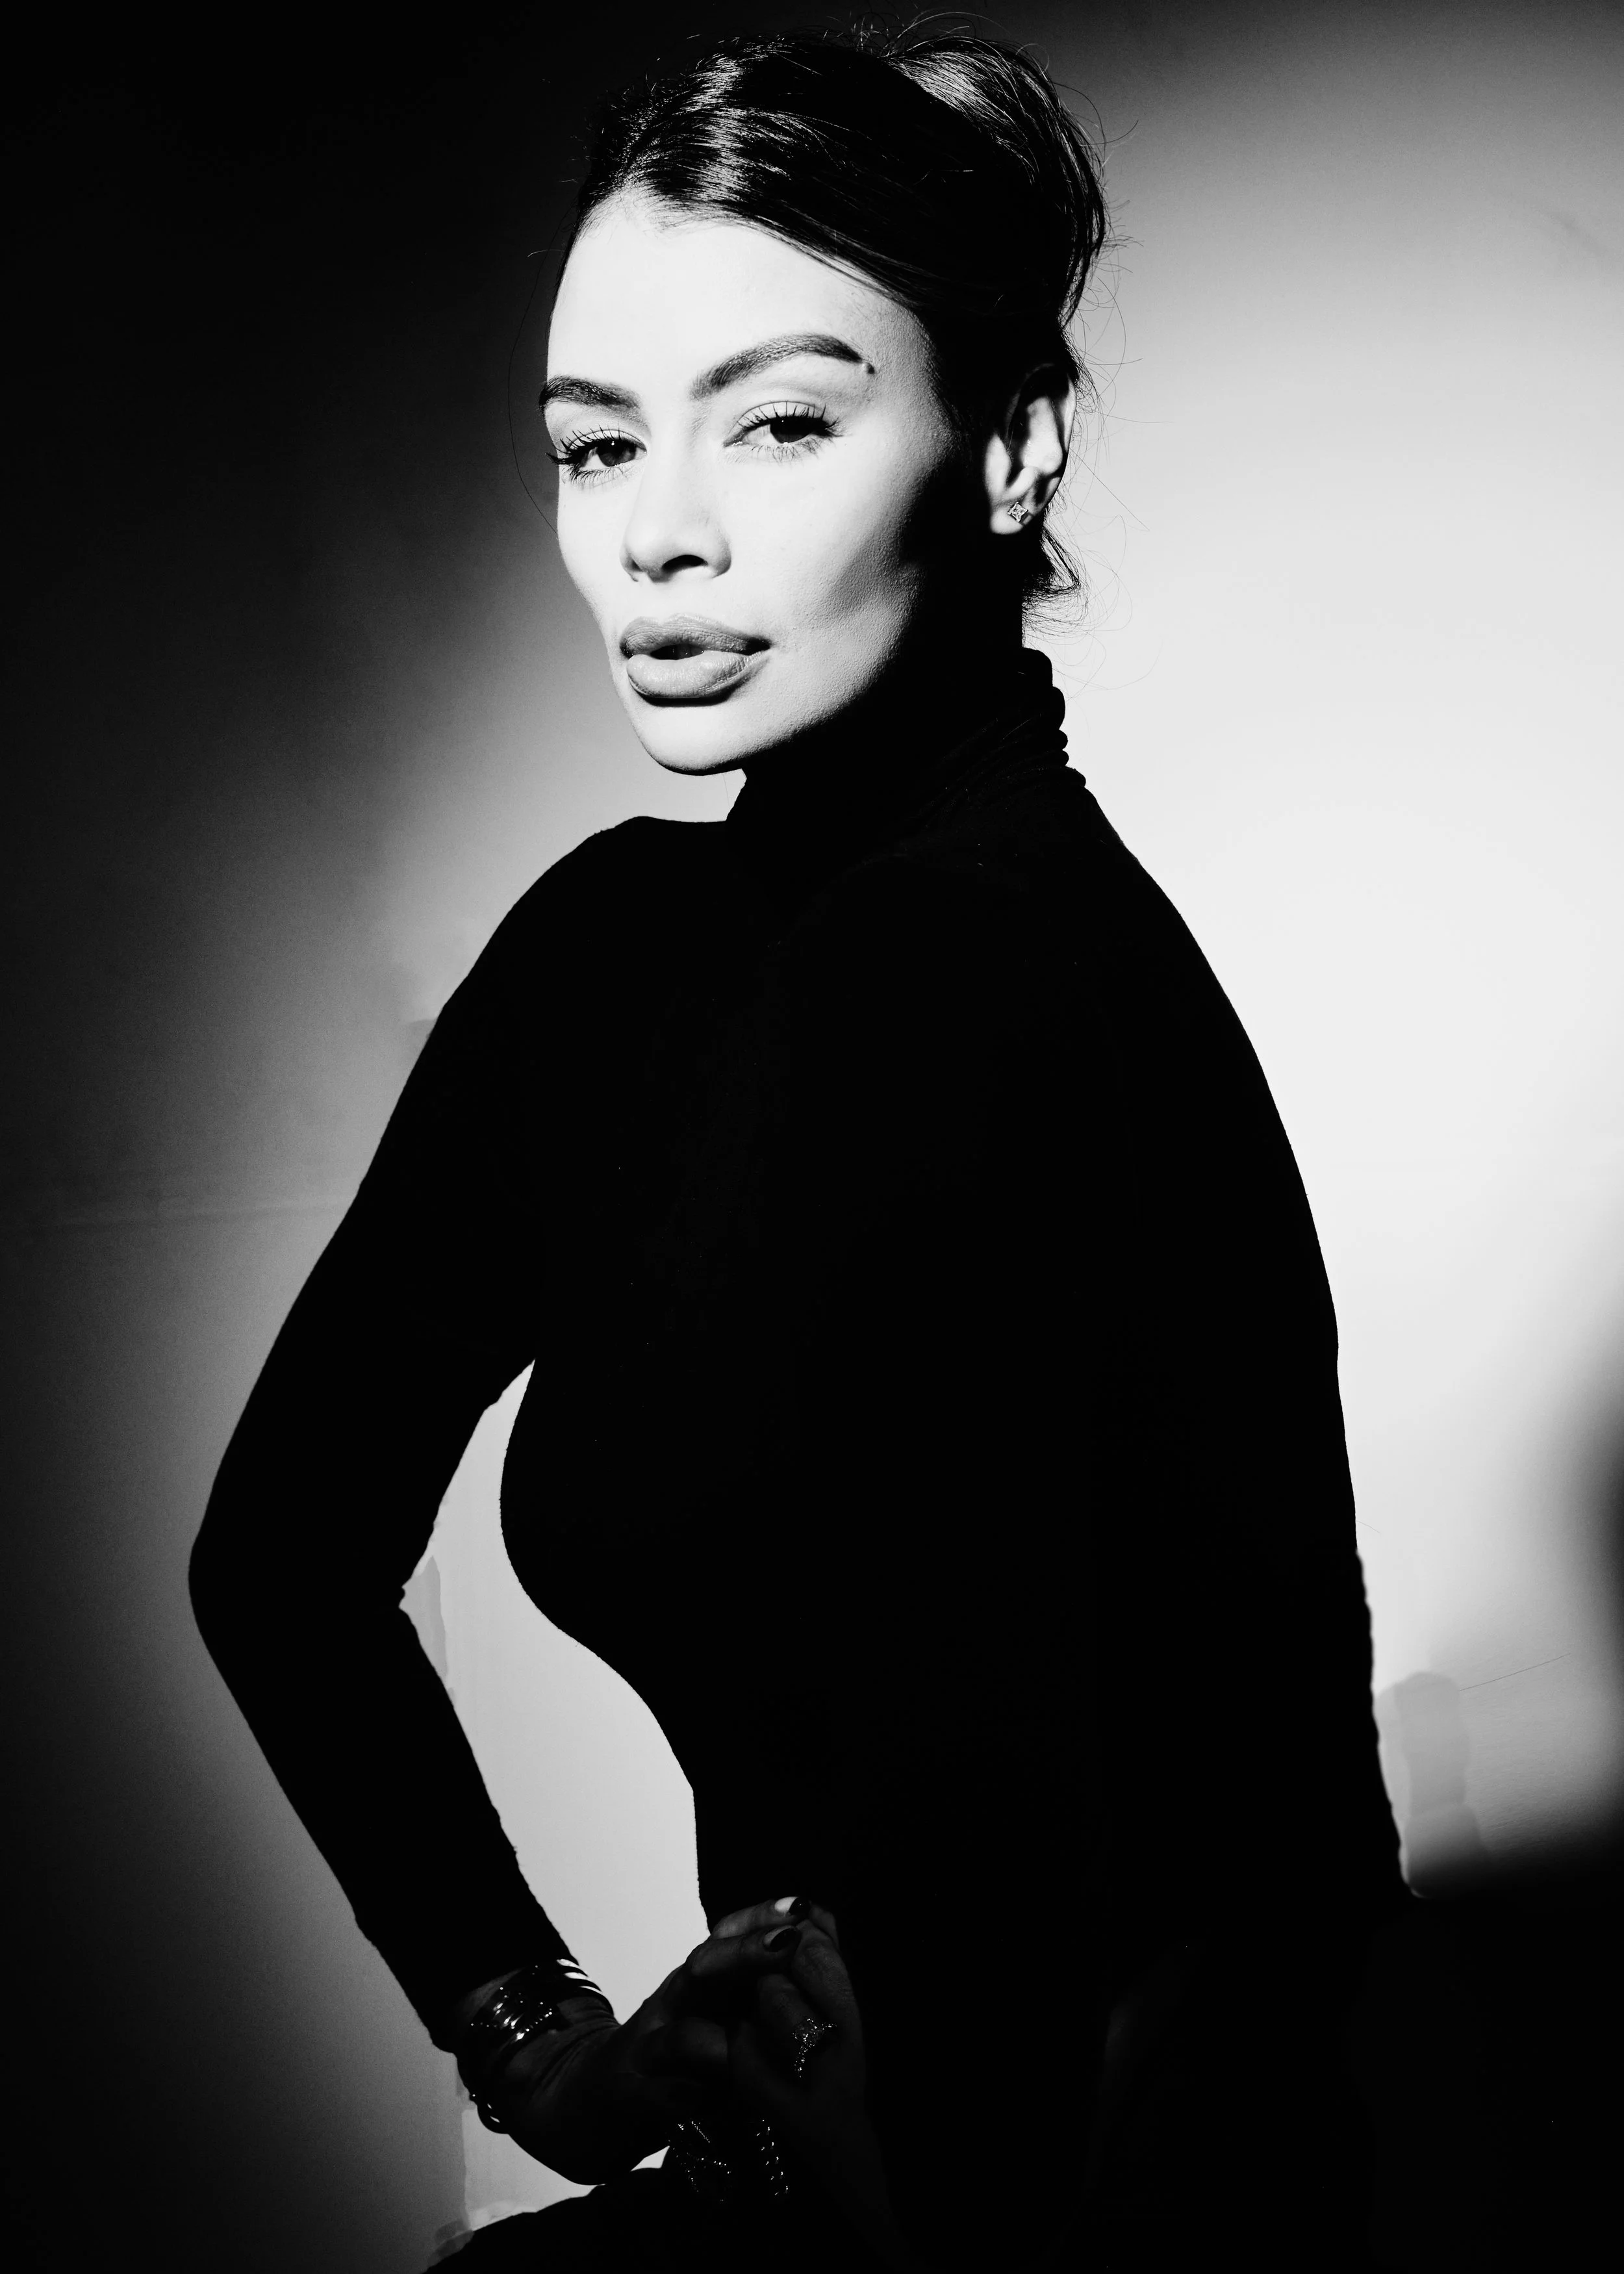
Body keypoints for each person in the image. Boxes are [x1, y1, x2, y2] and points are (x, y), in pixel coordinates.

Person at [190, 26, 1406, 2272]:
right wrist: (538, 2029)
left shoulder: (1039, 985)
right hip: (792, 2215)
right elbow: (278, 1556)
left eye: (777, 421)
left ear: (1013, 444)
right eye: (594, 443)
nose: (660, 529)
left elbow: (1246, 1866)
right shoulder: (603, 959)